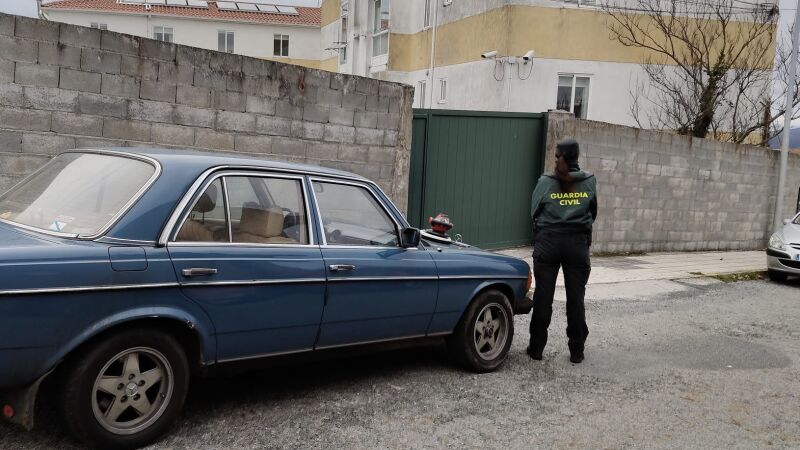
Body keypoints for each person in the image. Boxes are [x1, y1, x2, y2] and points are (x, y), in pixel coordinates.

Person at [527, 138, 597, 363]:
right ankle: (577, 351)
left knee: (543, 297)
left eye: (557, 156)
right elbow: (593, 212)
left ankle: (536, 349)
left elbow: (534, 211)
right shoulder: (589, 180)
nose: (555, 159)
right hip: (577, 244)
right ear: (577, 157)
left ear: (562, 157)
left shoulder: (546, 181)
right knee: (576, 299)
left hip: (548, 243)